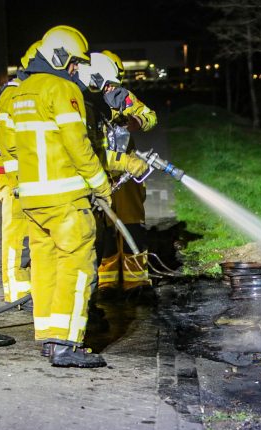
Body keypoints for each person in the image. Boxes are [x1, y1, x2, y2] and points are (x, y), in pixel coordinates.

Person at [9, 26, 135, 368]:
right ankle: (68, 345)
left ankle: (49, 339)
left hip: (33, 200)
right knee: (77, 266)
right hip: (65, 199)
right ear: (61, 58)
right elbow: (77, 144)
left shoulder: (23, 92)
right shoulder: (63, 89)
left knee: (45, 268)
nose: (80, 70)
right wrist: (101, 185)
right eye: (77, 62)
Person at [82, 50, 158, 296]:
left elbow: (150, 117)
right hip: (101, 171)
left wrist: (135, 121)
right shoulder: (82, 101)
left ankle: (135, 280)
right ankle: (107, 280)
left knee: (131, 224)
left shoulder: (121, 97)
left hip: (126, 174)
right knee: (104, 228)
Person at [0, 41, 40, 306]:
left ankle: (25, 286)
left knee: (25, 234)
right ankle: (16, 291)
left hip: (21, 175)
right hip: (14, 179)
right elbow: (11, 142)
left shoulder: (23, 92)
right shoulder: (13, 95)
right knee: (16, 236)